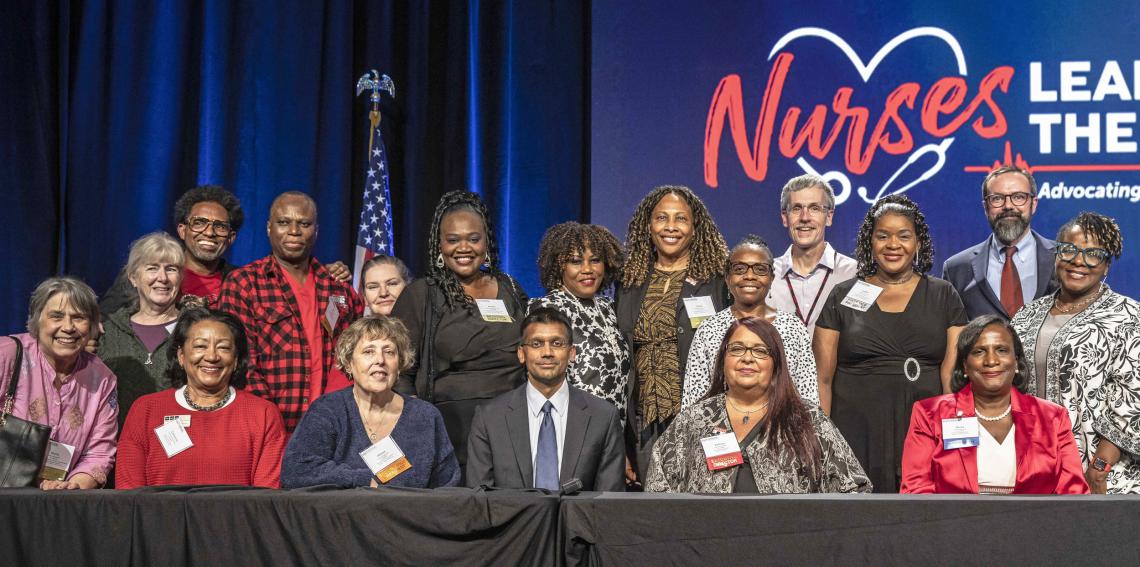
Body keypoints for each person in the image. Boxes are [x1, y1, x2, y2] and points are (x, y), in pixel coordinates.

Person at [813, 194, 967, 493]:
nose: (893, 245)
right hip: (855, 428)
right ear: (870, 242)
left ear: (918, 243)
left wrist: (955, 439)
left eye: (903, 236)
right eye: (883, 236)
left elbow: (952, 379)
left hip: (923, 428)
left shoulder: (944, 295)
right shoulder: (843, 295)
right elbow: (823, 378)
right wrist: (822, 442)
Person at [644, 317, 870, 493]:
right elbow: (658, 487)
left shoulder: (807, 418)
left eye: (760, 351)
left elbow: (855, 488)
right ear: (723, 360)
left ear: (776, 364)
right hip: (707, 538)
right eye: (737, 349)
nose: (747, 358)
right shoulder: (694, 419)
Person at [390, 190, 528, 473]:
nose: (463, 248)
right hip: (451, 428)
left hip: (513, 424)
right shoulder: (421, 295)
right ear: (439, 245)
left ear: (486, 242)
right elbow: (400, 370)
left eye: (473, 239)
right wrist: (415, 424)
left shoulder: (511, 289)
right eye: (453, 240)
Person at [1011, 212, 1140, 493]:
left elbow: (1133, 401)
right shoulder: (1026, 316)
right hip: (1033, 469)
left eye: (1093, 254)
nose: (1079, 261)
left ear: (1106, 265)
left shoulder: (1128, 316)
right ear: (1057, 255)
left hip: (1101, 476)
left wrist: (1098, 469)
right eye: (1069, 250)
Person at [216, 191, 365, 432]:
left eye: (304, 224)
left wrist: (336, 414)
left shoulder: (338, 288)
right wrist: (268, 419)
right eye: (284, 222)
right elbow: (241, 361)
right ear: (269, 228)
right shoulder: (244, 283)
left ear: (316, 231)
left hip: (332, 425)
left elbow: (353, 357)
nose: (294, 231)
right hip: (268, 426)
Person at [616, 185, 729, 483]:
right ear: (648, 226)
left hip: (703, 416)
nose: (670, 227)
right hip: (643, 420)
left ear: (695, 228)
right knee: (651, 503)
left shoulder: (717, 281)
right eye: (661, 218)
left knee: (702, 499)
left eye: (680, 219)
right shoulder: (629, 280)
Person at [900, 315, 1088, 494]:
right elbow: (917, 492)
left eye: (1002, 350)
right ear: (965, 365)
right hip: (954, 517)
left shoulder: (1052, 417)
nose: (991, 361)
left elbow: (1073, 493)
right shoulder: (929, 414)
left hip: (1036, 517)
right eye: (979, 351)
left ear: (1016, 362)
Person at [115, 309, 287, 488]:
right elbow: (129, 493)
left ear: (236, 359)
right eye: (200, 346)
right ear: (181, 356)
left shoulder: (263, 414)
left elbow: (267, 496)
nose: (212, 357)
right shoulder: (146, 410)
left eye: (223, 347)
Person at [282, 316, 460, 488]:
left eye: (389, 352)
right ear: (349, 363)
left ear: (399, 364)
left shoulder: (425, 416)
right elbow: (296, 471)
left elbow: (447, 487)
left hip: (411, 510)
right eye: (369, 351)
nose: (380, 360)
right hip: (344, 510)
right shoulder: (327, 410)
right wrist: (364, 480)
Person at [465, 308, 625, 491]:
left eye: (557, 343)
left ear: (572, 353)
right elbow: (479, 499)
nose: (547, 352)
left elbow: (609, 500)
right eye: (536, 344)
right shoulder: (489, 418)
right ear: (521, 353)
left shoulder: (603, 417)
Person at [0, 277, 117, 489]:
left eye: (78, 317)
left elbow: (99, 453)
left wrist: (71, 488)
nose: (68, 327)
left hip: (58, 502)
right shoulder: (6, 355)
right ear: (37, 320)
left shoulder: (102, 378)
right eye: (56, 316)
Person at [683, 235, 818, 409]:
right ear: (727, 277)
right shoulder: (709, 329)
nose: (749, 276)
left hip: (781, 423)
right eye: (739, 269)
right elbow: (693, 399)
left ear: (771, 277)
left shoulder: (794, 328)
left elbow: (808, 397)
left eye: (760, 269)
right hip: (721, 424)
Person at [530, 222, 629, 421]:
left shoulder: (609, 308)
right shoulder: (548, 309)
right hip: (573, 427)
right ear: (559, 266)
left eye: (595, 260)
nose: (587, 269)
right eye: (575, 261)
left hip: (615, 429)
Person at [101, 185, 245, 314]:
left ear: (231, 237)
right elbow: (103, 318)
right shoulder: (146, 272)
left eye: (220, 226)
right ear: (182, 231)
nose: (209, 232)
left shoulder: (242, 282)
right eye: (199, 223)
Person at [942, 166, 1059, 321]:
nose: (1008, 206)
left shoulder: (1064, 258)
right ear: (986, 207)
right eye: (997, 198)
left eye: (1018, 197)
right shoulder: (956, 269)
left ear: (1034, 204)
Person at [98, 232, 184, 424]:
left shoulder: (194, 328)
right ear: (133, 277)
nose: (163, 278)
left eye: (171, 269)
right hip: (116, 439)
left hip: (182, 439)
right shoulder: (107, 331)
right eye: (152, 268)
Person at [766, 174, 858, 335]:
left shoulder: (854, 274)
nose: (805, 217)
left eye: (814, 208)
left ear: (829, 217)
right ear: (785, 218)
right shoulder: (765, 275)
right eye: (796, 208)